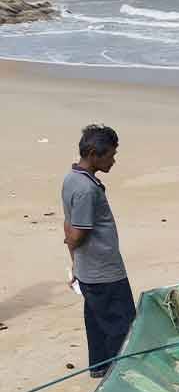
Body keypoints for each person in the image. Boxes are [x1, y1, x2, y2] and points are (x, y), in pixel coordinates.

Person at [62, 125, 135, 378]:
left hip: (89, 269)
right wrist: (73, 253)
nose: (113, 161)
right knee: (123, 325)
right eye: (110, 156)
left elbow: (68, 221)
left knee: (96, 322)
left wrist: (75, 264)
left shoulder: (72, 178)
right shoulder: (86, 189)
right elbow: (77, 232)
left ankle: (100, 367)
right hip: (104, 272)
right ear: (93, 153)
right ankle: (121, 376)